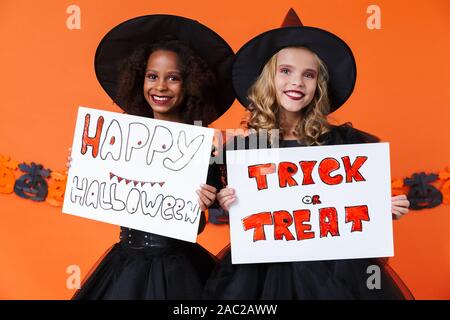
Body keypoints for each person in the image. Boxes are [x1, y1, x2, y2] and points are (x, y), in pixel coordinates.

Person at [204, 9, 414, 299]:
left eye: (309, 74)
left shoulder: (345, 144)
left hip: (332, 271)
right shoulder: (243, 150)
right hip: (260, 275)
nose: (297, 82)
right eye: (286, 71)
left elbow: (350, 209)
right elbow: (238, 213)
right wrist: (229, 205)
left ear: (318, 85)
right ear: (269, 78)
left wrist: (381, 211)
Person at [71, 14, 235, 300]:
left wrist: (202, 205)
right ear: (139, 78)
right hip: (124, 264)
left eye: (173, 78)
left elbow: (194, 227)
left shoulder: (201, 143)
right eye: (152, 76)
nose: (160, 87)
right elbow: (109, 196)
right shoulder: (122, 136)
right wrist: (83, 168)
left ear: (190, 84)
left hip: (176, 269)